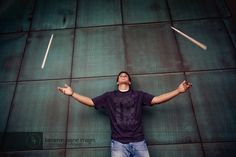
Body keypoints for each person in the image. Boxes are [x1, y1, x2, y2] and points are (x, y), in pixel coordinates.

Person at [57, 71, 192, 157]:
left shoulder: (139, 95)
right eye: (120, 76)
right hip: (118, 144)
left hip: (139, 142)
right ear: (117, 82)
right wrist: (73, 94)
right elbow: (91, 102)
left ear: (129, 81)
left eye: (125, 75)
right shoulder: (109, 96)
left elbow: (157, 99)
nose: (123, 76)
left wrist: (178, 91)